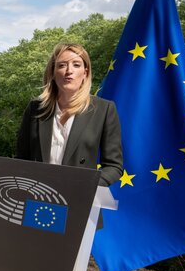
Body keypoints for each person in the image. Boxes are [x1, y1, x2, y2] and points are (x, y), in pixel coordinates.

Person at [16, 42, 123, 186]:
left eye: (76, 65)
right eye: (61, 65)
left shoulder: (104, 109)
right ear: (53, 72)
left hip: (79, 197)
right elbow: (21, 159)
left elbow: (114, 166)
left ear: (85, 73)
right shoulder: (35, 108)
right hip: (38, 195)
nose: (69, 71)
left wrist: (88, 185)